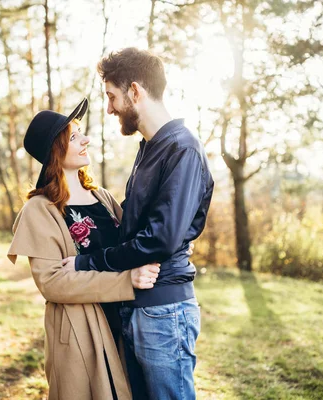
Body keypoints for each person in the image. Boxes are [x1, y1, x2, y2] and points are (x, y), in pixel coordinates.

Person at [62, 48, 214, 399]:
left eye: (112, 97)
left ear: (134, 91)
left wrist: (89, 263)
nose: (110, 107)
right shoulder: (150, 148)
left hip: (164, 309)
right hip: (137, 306)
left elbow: (159, 239)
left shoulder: (183, 149)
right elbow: (129, 221)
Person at [7, 98, 163, 400]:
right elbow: (53, 283)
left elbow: (131, 245)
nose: (86, 139)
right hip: (81, 331)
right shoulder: (40, 210)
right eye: (74, 136)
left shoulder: (102, 197)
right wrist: (126, 281)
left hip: (124, 323)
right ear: (56, 150)